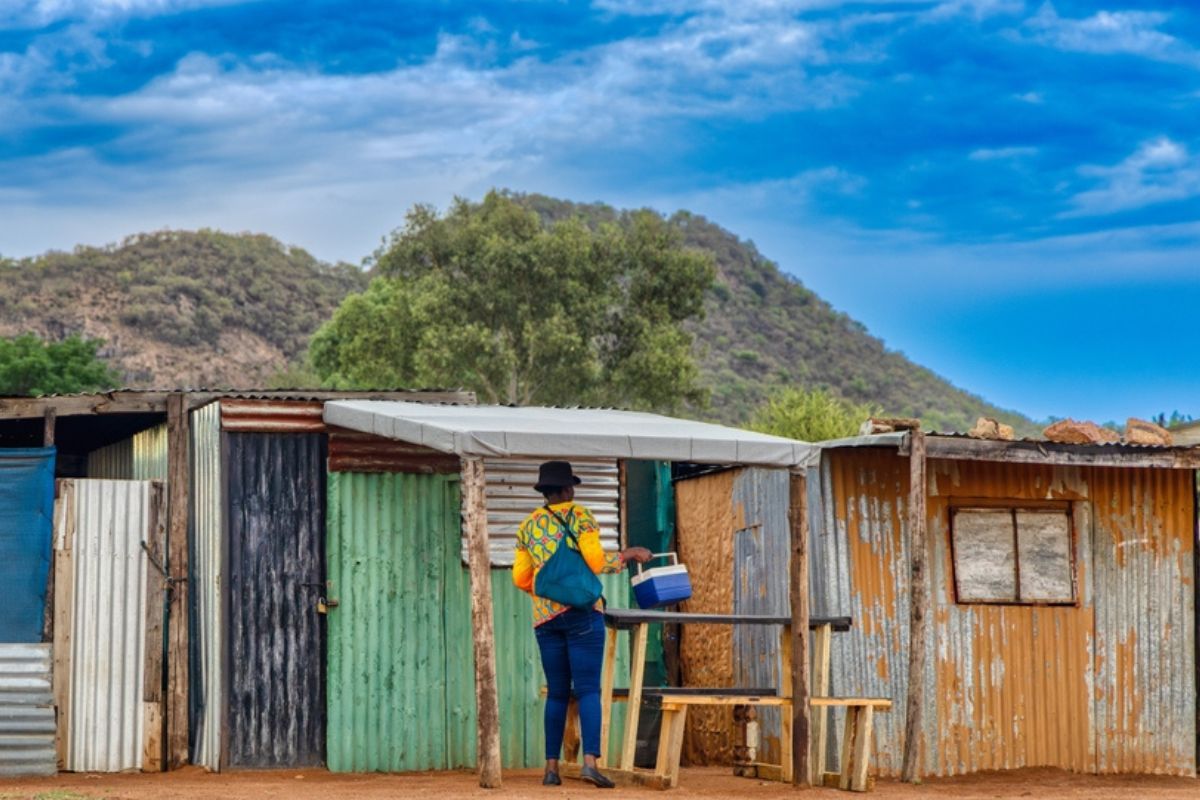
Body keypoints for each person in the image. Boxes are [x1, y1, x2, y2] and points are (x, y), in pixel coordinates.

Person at [512, 460, 652, 789]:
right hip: (582, 615)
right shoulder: (580, 515)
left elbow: (520, 578)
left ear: (544, 492)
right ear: (566, 489)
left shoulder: (527, 526)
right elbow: (596, 561)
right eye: (570, 486)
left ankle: (550, 769)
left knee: (558, 694)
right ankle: (590, 763)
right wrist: (628, 554)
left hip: (545, 619)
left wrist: (550, 592)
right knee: (588, 690)